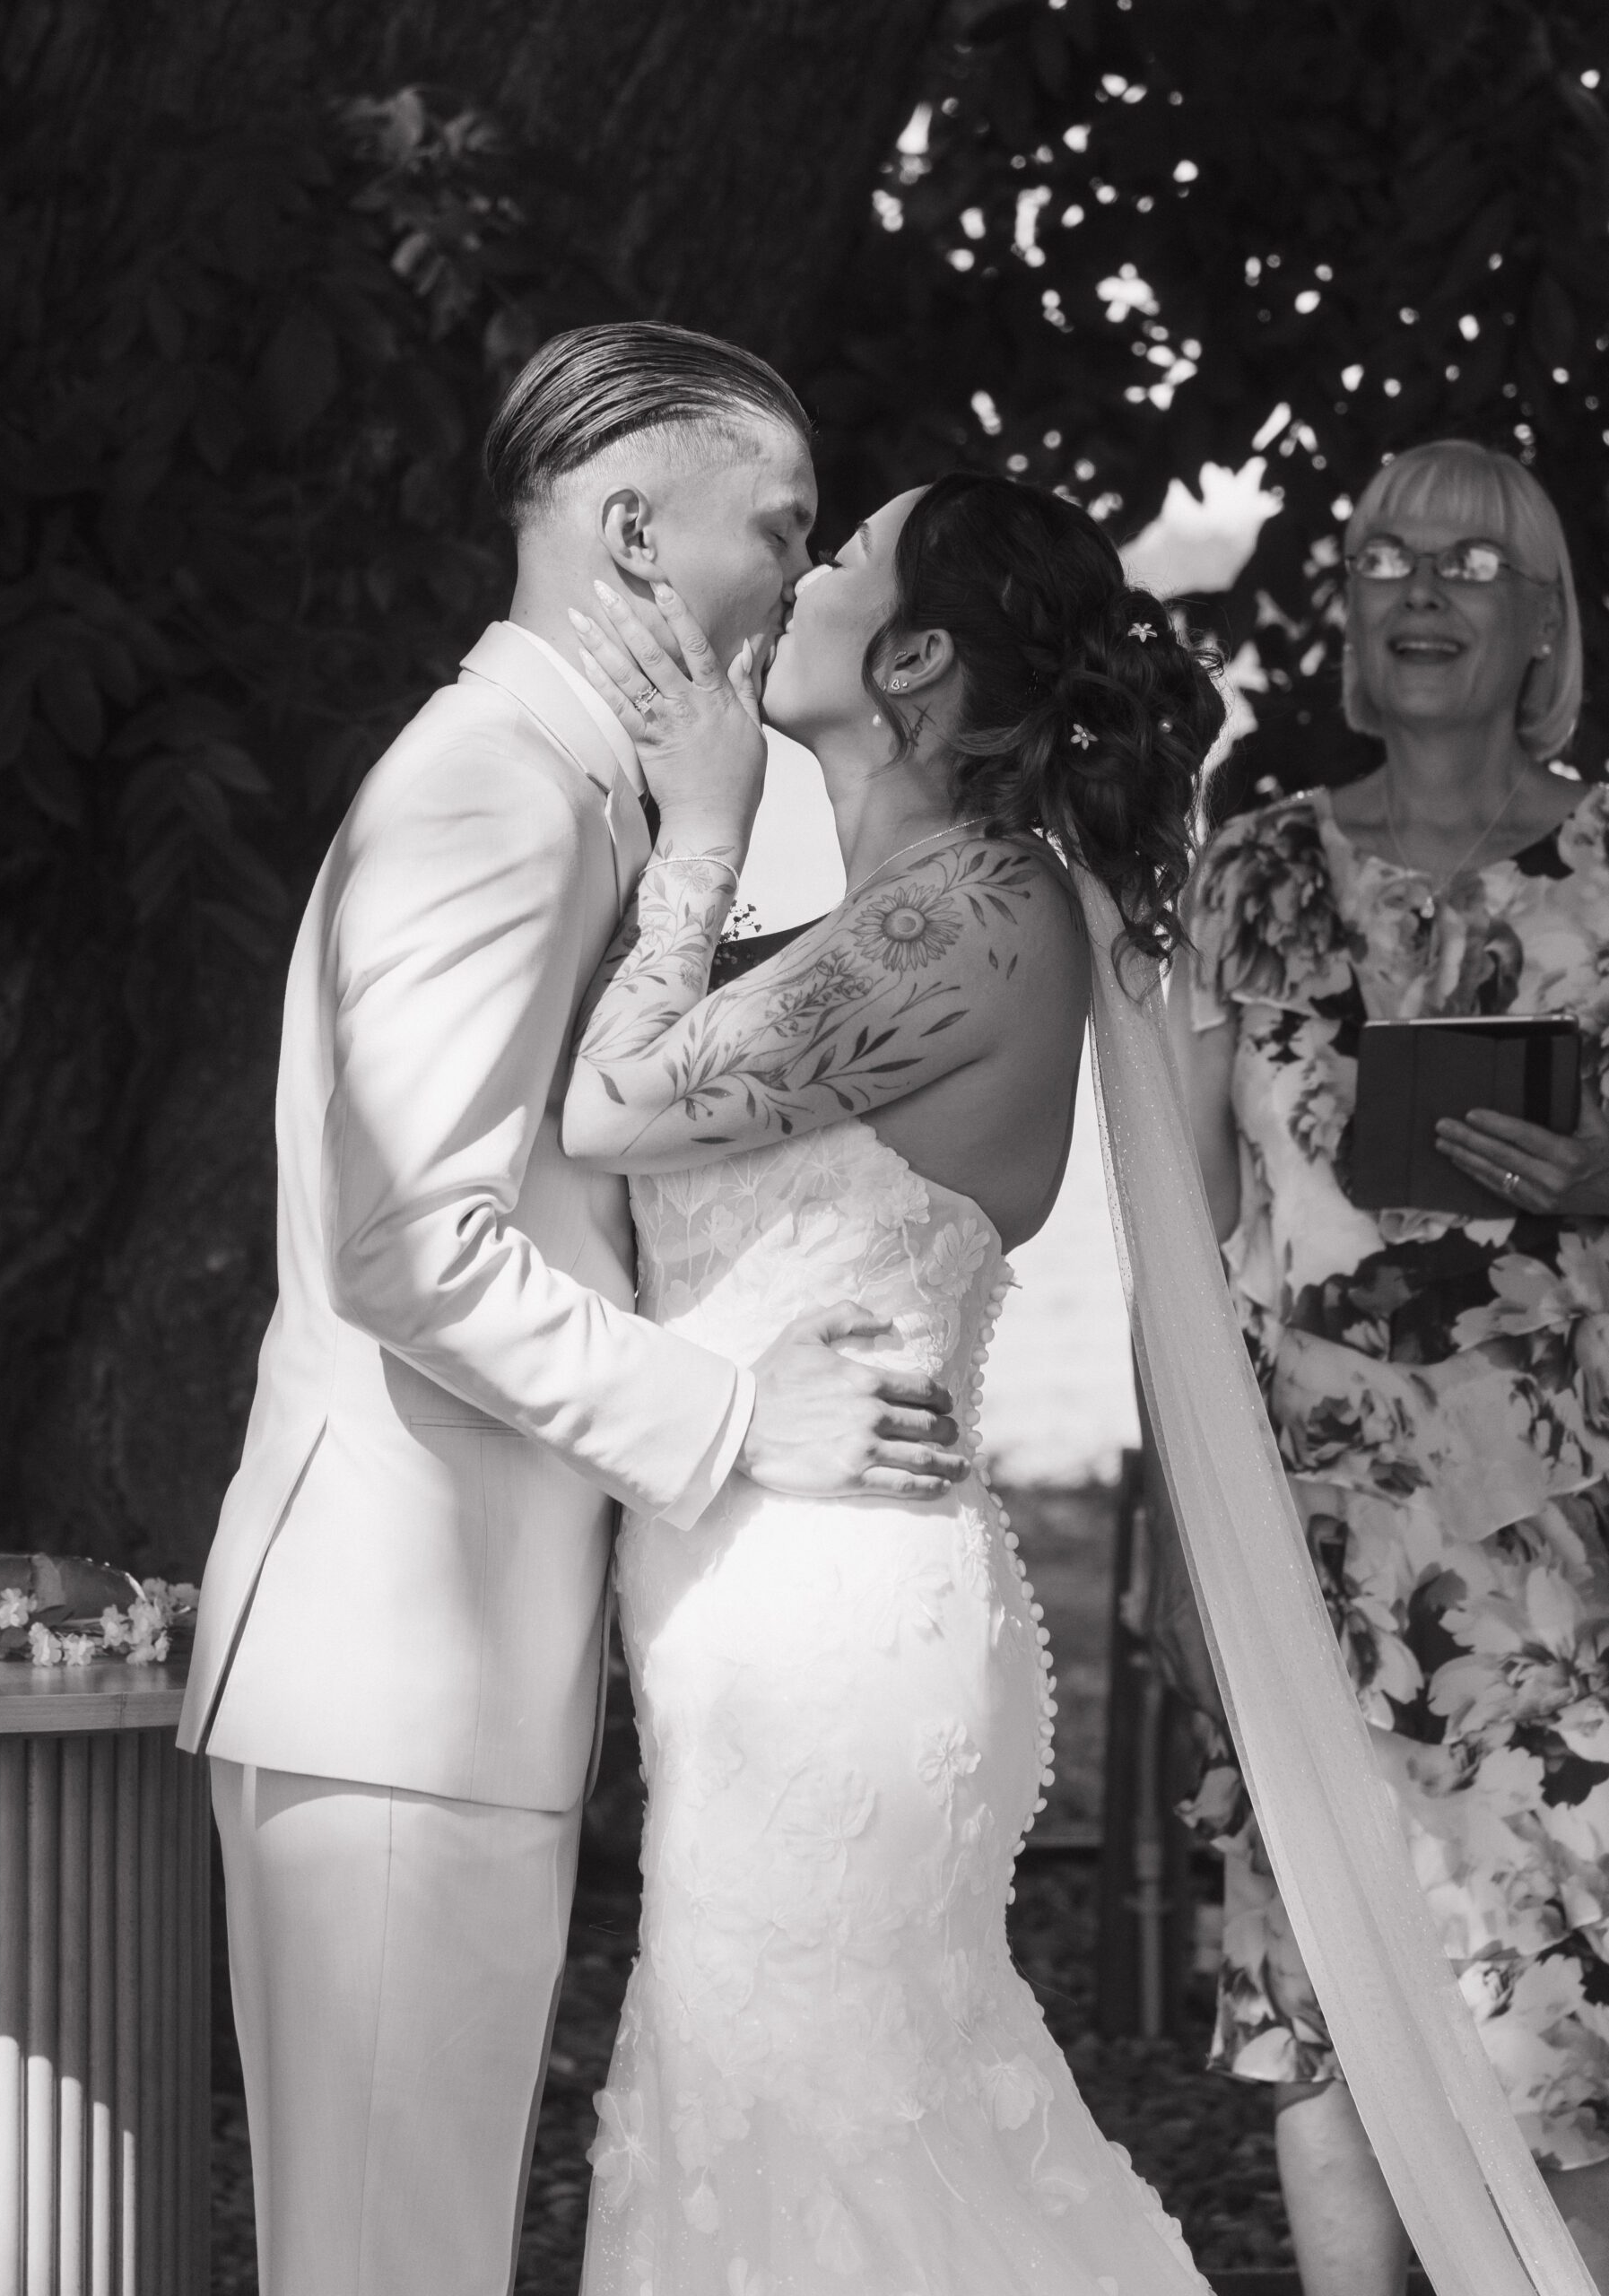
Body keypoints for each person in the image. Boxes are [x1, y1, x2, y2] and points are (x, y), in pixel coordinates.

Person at [176, 324, 973, 2296]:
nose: (801, 586)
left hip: (447, 1684)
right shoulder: (490, 800)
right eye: (778, 533)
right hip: (390, 1678)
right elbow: (408, 1243)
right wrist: (727, 1415)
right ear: (631, 526)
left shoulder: (563, 791)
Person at [560, 472, 1229, 2292]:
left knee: (826, 2139)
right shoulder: (856, 927)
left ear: (917, 653)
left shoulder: (986, 915)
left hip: (837, 1615)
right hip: (745, 1592)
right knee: (765, 2135)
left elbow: (610, 1105)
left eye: (842, 554)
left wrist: (698, 826)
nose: (802, 567)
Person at [1168, 438, 1609, 2296]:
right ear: (1343, 610)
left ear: (1539, 624)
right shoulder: (1248, 871)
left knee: (1569, 2024)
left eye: (1475, 562)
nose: (1423, 586)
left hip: (1567, 1555)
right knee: (1328, 1993)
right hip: (1308, 1543)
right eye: (1383, 556)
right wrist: (1184, 1552)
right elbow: (1177, 1260)